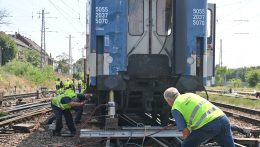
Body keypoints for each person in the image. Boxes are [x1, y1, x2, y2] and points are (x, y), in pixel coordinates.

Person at [163, 87, 235, 147]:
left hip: (208, 125)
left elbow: (185, 132)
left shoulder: (175, 107)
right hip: (223, 119)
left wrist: (189, 141)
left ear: (169, 101)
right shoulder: (190, 95)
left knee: (186, 145)